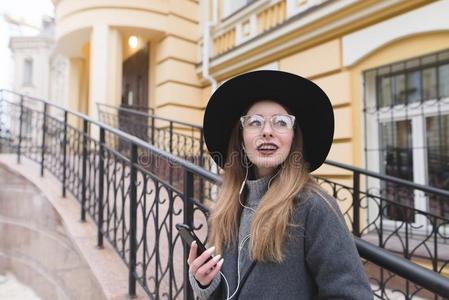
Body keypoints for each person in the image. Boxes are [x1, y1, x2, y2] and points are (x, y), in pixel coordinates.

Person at [187, 70, 373, 299]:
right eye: (255, 122)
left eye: (281, 122)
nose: (267, 131)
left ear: (294, 138)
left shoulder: (314, 206)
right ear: (242, 140)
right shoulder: (231, 202)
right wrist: (205, 282)